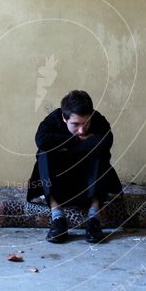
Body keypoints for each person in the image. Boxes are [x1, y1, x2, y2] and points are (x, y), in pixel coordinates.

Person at [27, 90, 122, 243]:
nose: (82, 130)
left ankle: (93, 219)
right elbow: (41, 140)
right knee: (44, 153)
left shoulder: (98, 119)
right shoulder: (53, 119)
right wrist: (78, 142)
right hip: (59, 184)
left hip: (89, 184)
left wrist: (63, 146)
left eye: (86, 124)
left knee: (100, 153)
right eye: (76, 124)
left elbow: (106, 141)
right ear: (64, 118)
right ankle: (58, 219)